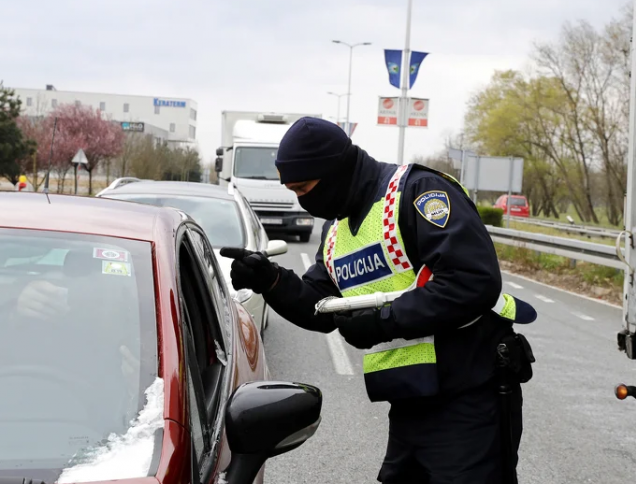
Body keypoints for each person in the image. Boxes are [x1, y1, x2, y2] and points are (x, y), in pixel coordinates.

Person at [220, 118, 537, 484]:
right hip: (410, 401)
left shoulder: (418, 193)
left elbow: (473, 280)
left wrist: (385, 320)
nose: (301, 200)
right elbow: (321, 307)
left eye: (304, 188)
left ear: (335, 170)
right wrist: (271, 280)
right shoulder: (337, 230)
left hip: (471, 396)